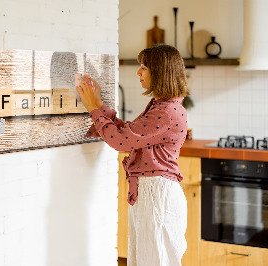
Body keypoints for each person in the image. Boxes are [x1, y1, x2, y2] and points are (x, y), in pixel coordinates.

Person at [77, 44, 189, 266]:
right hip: (152, 193)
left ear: (160, 72)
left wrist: (93, 108)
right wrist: (99, 104)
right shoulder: (162, 106)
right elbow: (128, 134)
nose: (138, 72)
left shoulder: (166, 111)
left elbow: (120, 141)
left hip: (157, 195)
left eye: (144, 67)